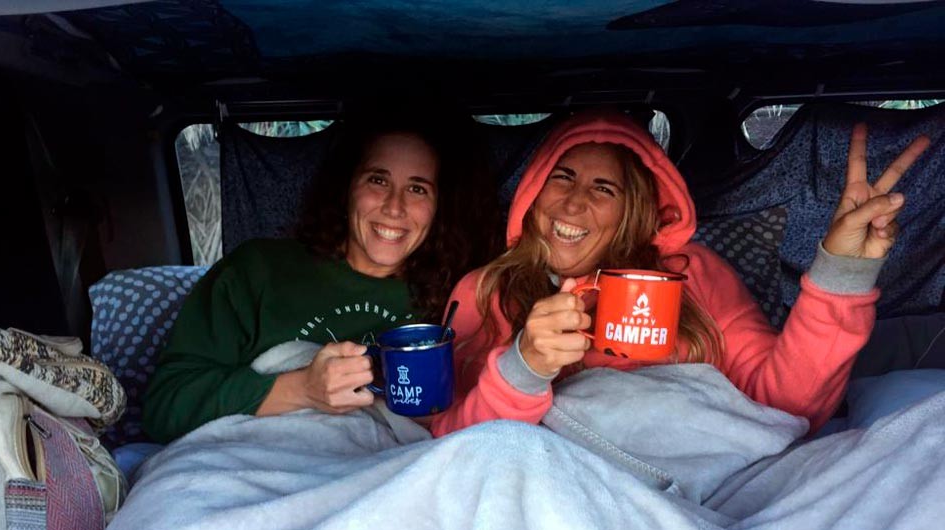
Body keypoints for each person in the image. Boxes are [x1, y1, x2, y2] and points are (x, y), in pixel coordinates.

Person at [431, 109, 930, 437]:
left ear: (634, 211)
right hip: (561, 488)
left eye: (604, 189)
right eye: (562, 177)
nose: (575, 201)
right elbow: (450, 442)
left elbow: (785, 405)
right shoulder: (484, 290)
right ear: (533, 192)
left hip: (698, 486)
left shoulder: (692, 274)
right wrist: (525, 365)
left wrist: (841, 273)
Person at [143, 105, 501, 443]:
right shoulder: (258, 271)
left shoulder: (464, 295)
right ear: (347, 187)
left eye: (417, 188)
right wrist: (302, 389)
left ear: (440, 208)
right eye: (378, 180)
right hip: (258, 461)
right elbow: (163, 409)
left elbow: (477, 423)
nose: (394, 207)